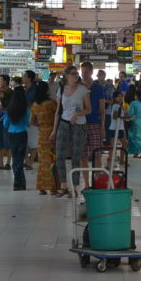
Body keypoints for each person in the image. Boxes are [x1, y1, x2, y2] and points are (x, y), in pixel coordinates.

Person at [54, 66, 90, 196]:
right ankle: (63, 185)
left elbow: (89, 109)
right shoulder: (61, 90)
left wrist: (78, 114)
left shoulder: (83, 90)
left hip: (79, 125)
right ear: (67, 75)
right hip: (64, 123)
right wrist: (54, 130)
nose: (76, 76)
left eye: (77, 73)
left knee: (76, 156)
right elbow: (58, 111)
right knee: (59, 154)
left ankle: (74, 187)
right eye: (73, 73)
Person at [30, 81, 58, 195]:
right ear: (46, 90)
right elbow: (58, 116)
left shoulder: (35, 105)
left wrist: (41, 126)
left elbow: (31, 121)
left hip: (41, 134)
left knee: (42, 161)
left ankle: (41, 187)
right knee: (52, 159)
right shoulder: (51, 103)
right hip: (52, 134)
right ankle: (53, 187)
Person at [3, 86, 31, 191]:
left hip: (11, 134)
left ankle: (18, 183)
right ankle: (19, 183)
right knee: (20, 158)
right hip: (22, 133)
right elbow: (27, 123)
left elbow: (5, 124)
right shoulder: (25, 108)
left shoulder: (9, 108)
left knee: (15, 158)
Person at [81, 62, 106, 164]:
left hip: (94, 124)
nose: (84, 74)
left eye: (86, 72)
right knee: (83, 156)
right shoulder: (79, 87)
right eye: (82, 72)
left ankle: (97, 178)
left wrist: (102, 127)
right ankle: (87, 181)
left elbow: (102, 110)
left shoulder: (98, 88)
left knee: (97, 154)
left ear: (91, 72)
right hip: (80, 124)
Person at [105, 91, 127, 168]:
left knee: (124, 143)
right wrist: (125, 117)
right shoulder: (116, 106)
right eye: (118, 96)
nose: (120, 97)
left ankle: (121, 160)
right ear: (114, 98)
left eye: (121, 96)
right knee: (113, 146)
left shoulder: (119, 106)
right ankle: (109, 163)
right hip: (115, 128)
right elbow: (115, 117)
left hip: (119, 128)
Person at [0, 74, 13, 170]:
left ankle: (8, 163)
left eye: (1, 80)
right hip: (1, 116)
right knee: (0, 141)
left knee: (7, 141)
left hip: (6, 117)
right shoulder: (4, 90)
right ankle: (0, 163)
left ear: (5, 81)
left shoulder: (9, 91)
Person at [23, 70, 38, 169]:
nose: (23, 78)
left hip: (34, 119)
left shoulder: (35, 90)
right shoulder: (25, 90)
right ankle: (27, 161)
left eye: (24, 76)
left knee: (33, 142)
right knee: (24, 141)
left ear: (29, 78)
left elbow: (35, 104)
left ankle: (30, 162)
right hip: (24, 118)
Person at [125, 87, 141, 158]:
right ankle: (136, 153)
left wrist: (125, 112)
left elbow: (130, 113)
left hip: (135, 122)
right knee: (139, 137)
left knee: (133, 137)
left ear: (136, 96)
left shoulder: (133, 103)